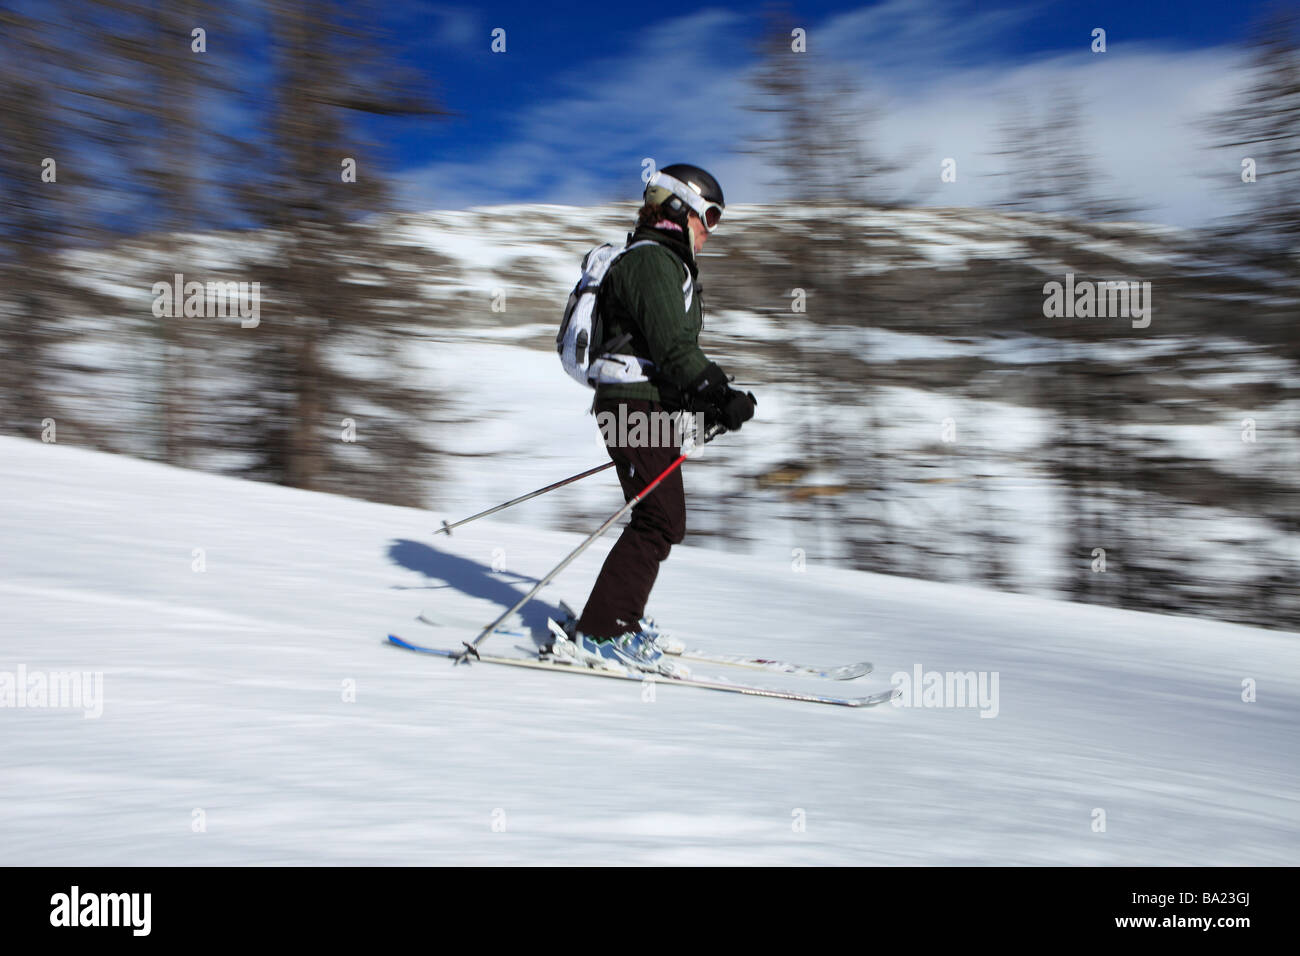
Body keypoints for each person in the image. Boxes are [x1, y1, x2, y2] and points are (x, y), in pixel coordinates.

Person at [558, 164, 756, 674]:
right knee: (660, 519)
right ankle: (602, 630)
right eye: (708, 215)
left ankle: (620, 615)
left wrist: (710, 405)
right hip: (631, 405)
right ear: (677, 208)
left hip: (642, 402)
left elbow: (665, 353)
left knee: (660, 517)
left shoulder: (666, 263)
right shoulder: (652, 262)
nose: (711, 229)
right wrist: (717, 389)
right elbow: (672, 349)